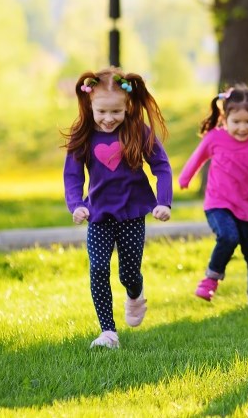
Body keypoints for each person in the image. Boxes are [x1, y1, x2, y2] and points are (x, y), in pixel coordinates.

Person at [63, 68, 173, 350]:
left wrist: (163, 202)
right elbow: (73, 176)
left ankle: (135, 295)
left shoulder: (138, 131)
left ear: (127, 106)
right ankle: (108, 332)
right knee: (98, 268)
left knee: (128, 273)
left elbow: (161, 167)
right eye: (102, 112)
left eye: (116, 112)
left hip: (132, 213)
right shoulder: (83, 136)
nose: (108, 118)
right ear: (90, 105)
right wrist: (76, 205)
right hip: (98, 215)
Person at [178, 86, 248, 308]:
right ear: (225, 118)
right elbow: (197, 158)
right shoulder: (215, 137)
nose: (243, 128)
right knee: (228, 236)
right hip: (218, 203)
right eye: (237, 122)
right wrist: (184, 179)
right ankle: (211, 278)